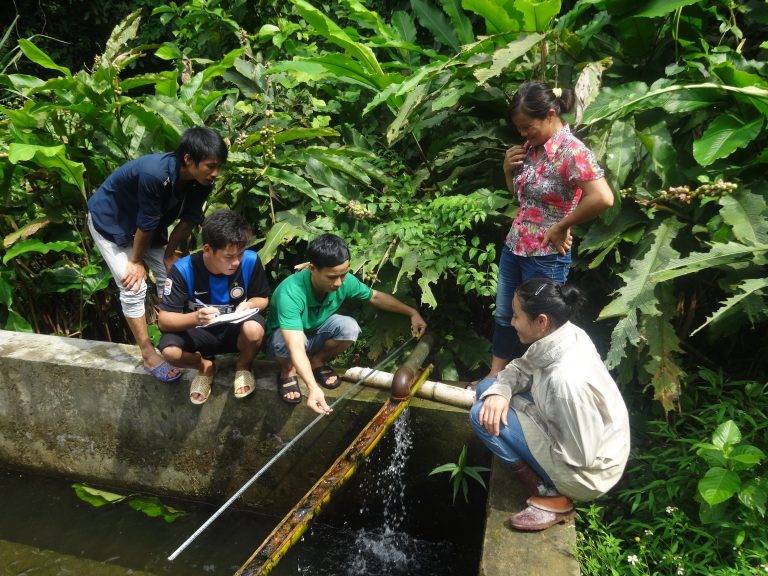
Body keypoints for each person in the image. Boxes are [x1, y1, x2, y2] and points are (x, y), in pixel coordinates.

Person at [480, 81, 614, 384]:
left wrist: (562, 225)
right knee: (505, 315)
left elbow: (603, 197)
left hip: (546, 255)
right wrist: (506, 170)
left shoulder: (572, 152)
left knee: (542, 324)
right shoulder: (530, 149)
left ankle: (539, 386)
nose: (523, 134)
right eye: (519, 128)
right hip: (515, 245)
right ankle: (496, 375)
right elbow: (524, 200)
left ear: (551, 114)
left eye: (528, 126)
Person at [470, 278, 630, 531]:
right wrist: (501, 393)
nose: (512, 322)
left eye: (516, 316)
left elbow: (581, 455)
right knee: (487, 391)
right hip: (579, 436)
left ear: (541, 321)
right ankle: (542, 478)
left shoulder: (565, 381)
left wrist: (524, 411)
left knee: (481, 415)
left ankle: (550, 497)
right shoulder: (565, 334)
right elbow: (522, 368)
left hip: (587, 473)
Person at [87, 127, 228, 383]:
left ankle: (180, 344)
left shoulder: (202, 182)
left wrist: (169, 254)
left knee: (174, 277)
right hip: (112, 223)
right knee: (133, 285)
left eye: (218, 166)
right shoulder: (155, 174)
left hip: (149, 227)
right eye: (210, 166)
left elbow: (189, 219)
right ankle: (148, 353)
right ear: (188, 159)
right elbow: (146, 223)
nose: (215, 173)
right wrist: (136, 261)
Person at [266, 233, 427, 413]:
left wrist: (412, 312)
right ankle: (288, 371)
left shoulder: (344, 281)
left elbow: (375, 297)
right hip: (285, 342)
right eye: (331, 277)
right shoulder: (291, 292)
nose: (338, 282)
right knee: (288, 343)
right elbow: (295, 345)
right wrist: (313, 388)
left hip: (314, 331)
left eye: (343, 274)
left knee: (349, 327)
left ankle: (317, 361)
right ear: (312, 268)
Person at [157, 209, 270, 404]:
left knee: (254, 329)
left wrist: (250, 304)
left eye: (240, 254)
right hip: (199, 330)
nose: (236, 262)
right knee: (169, 352)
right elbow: (164, 320)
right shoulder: (183, 269)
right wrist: (195, 318)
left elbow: (263, 298)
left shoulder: (250, 260)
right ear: (208, 249)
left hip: (237, 329)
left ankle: (243, 365)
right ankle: (205, 367)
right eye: (228, 256)